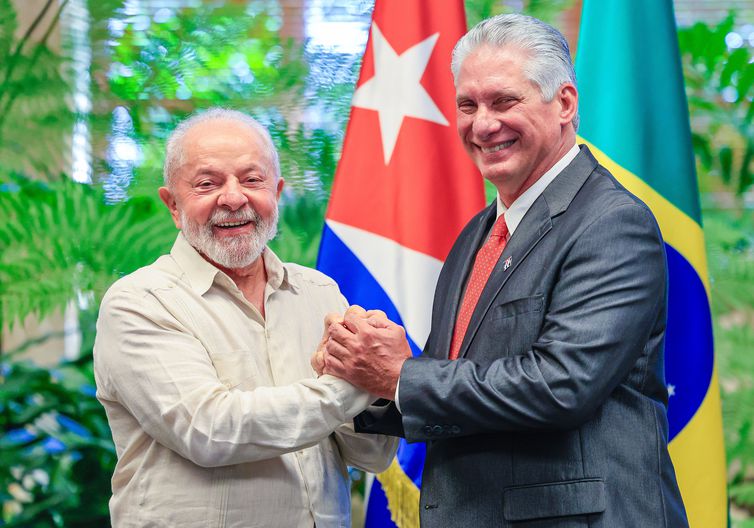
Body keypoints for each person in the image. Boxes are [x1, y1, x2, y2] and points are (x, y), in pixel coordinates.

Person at [316, 14, 689, 527]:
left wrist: (402, 374)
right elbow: (459, 385)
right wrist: (362, 379)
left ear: (564, 103)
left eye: (504, 101)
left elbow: (561, 385)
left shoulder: (612, 222)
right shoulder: (477, 234)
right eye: (467, 105)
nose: (483, 123)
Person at [93, 108, 398, 527]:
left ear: (277, 191)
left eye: (252, 180)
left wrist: (380, 389)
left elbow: (371, 456)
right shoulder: (140, 302)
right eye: (207, 183)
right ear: (173, 204)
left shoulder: (320, 293)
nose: (234, 198)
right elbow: (210, 431)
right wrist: (362, 383)